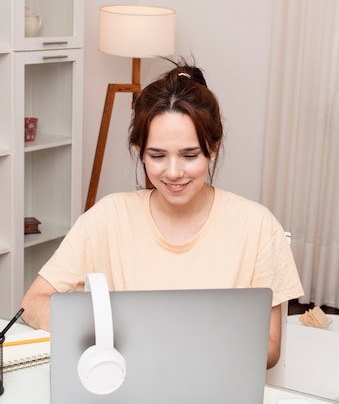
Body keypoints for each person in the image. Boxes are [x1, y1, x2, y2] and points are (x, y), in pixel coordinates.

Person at [21, 59, 303, 368]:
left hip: (215, 389)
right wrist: (112, 332)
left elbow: (270, 348)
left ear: (214, 147)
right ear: (139, 150)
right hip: (125, 387)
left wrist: (174, 341)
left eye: (190, 155)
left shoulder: (258, 226)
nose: (173, 172)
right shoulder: (107, 217)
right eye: (157, 156)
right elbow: (33, 304)